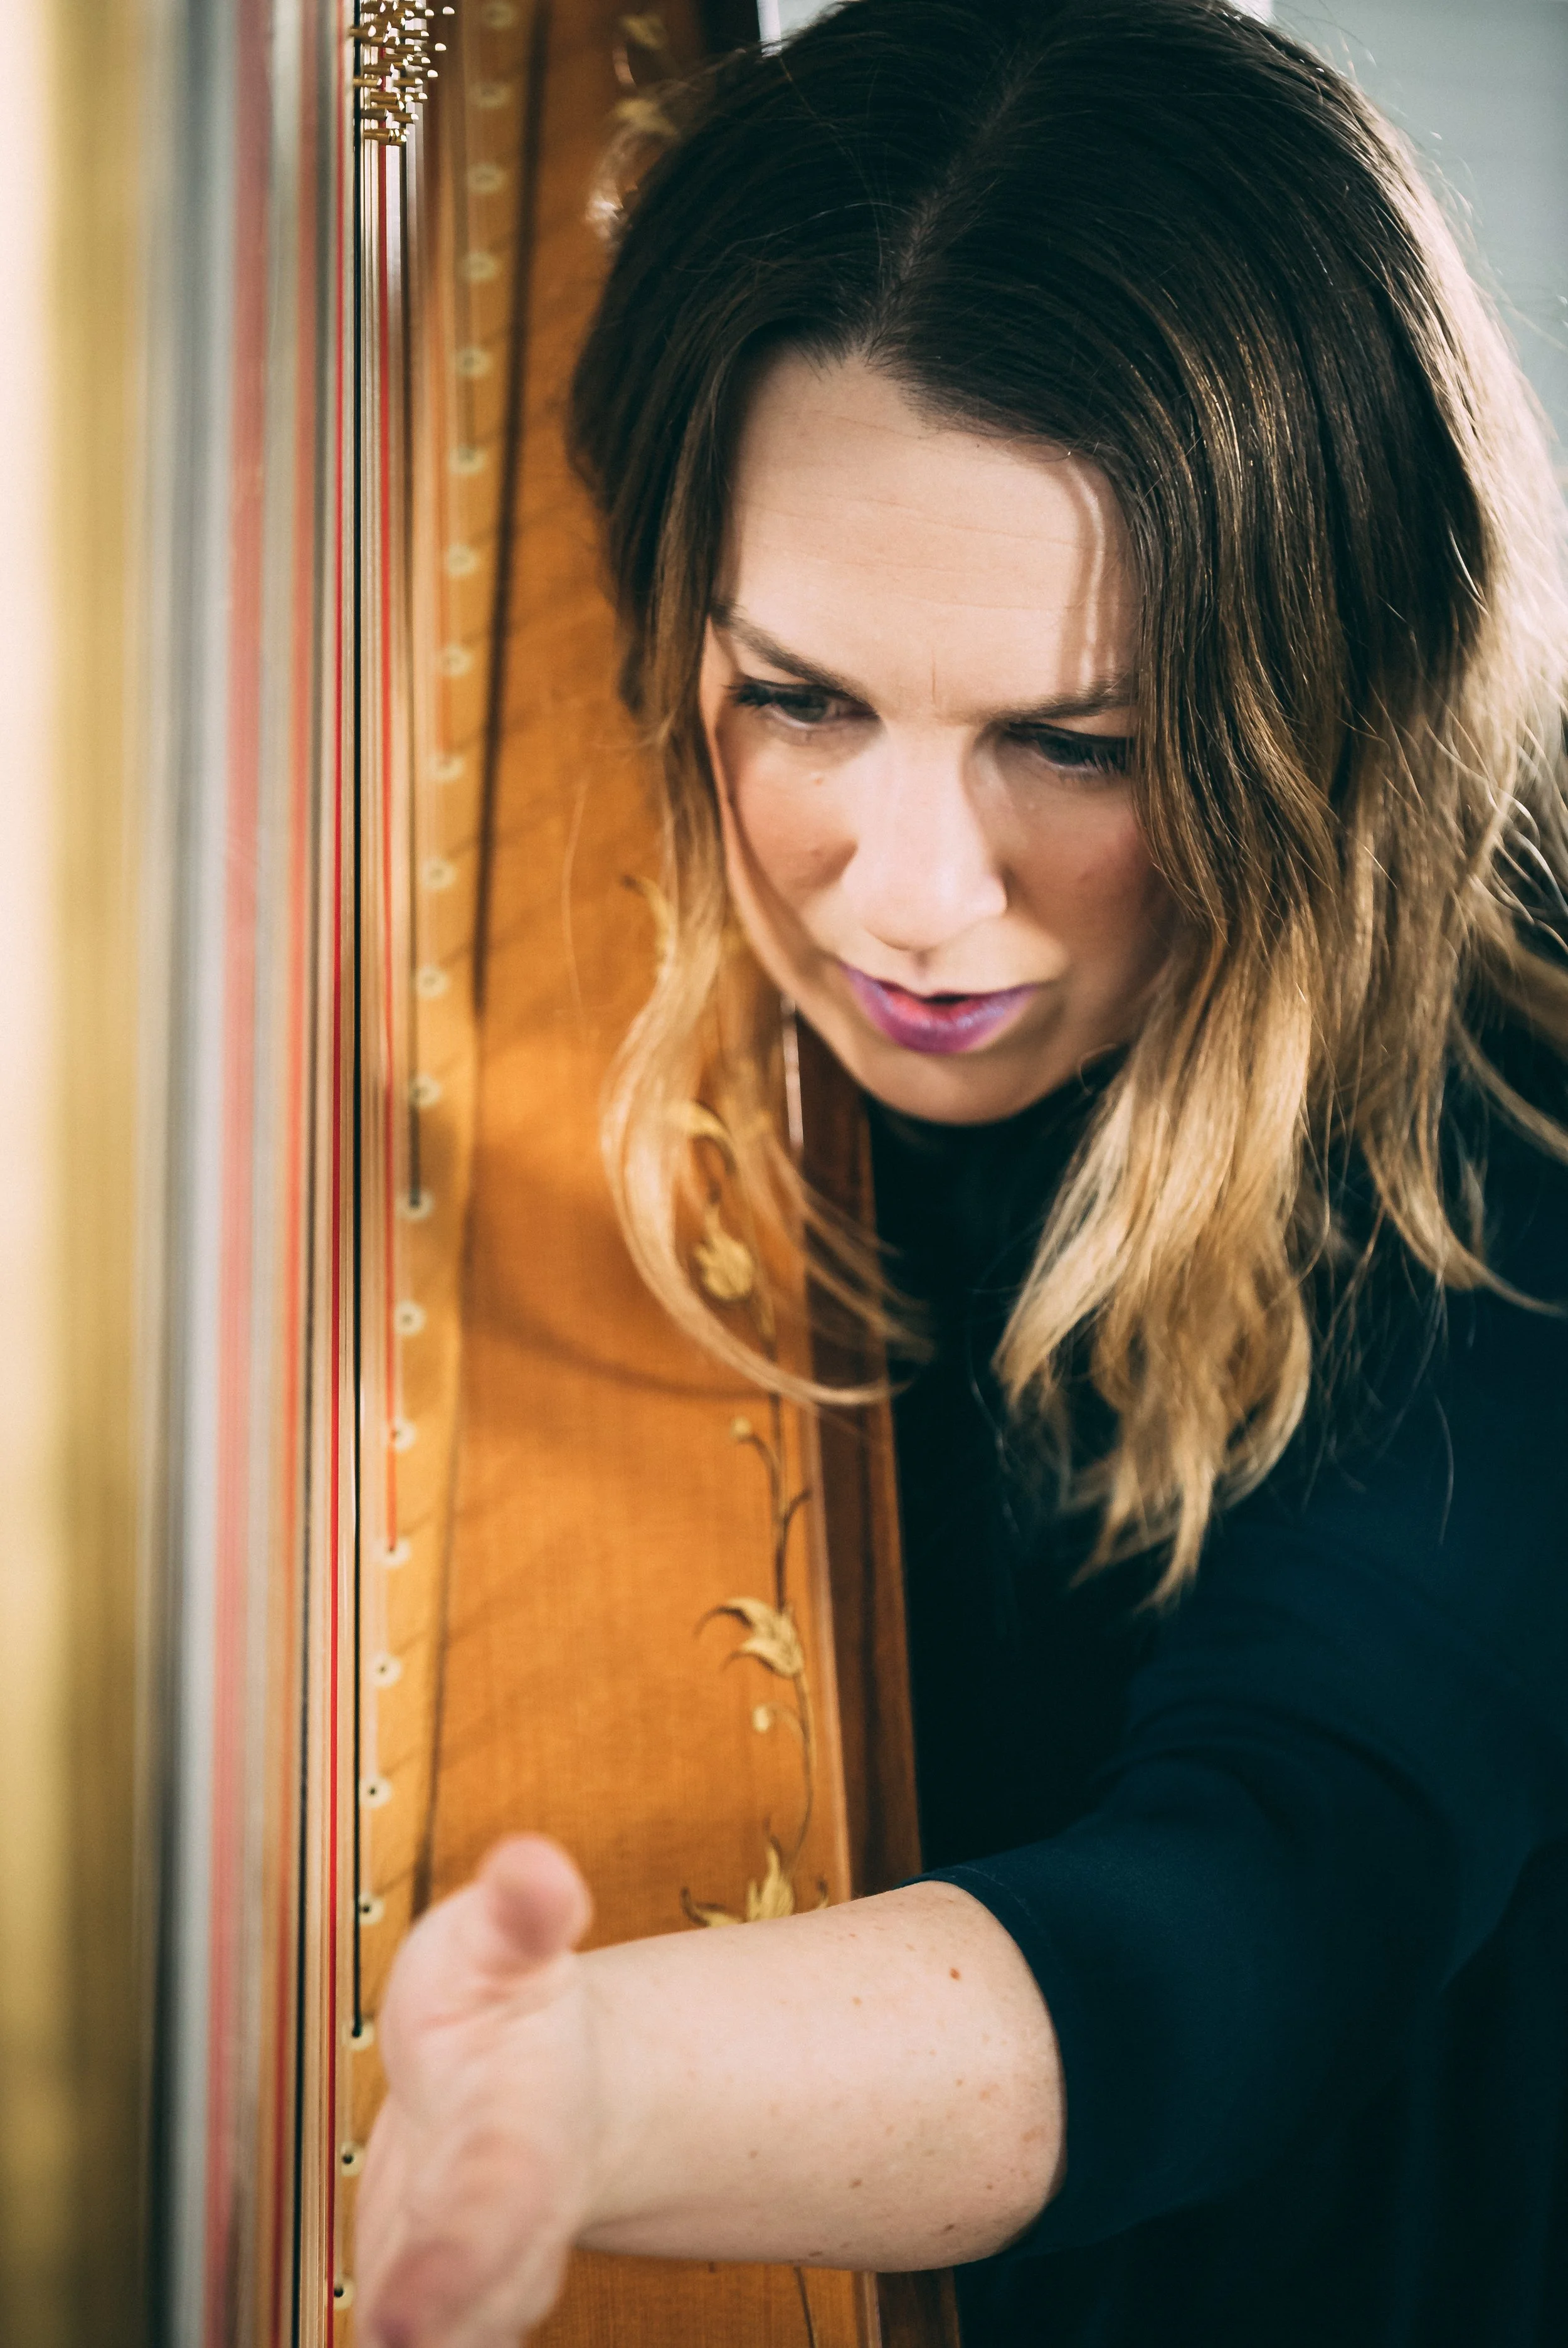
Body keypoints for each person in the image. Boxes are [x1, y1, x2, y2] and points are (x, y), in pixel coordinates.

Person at [356, 2, 1568, 2341]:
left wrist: (579, 2082)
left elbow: (1263, 1901)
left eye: (1078, 741)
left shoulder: (1508, 1128)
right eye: (801, 693)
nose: (907, 896)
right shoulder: (612, 855)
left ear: (1324, 694)